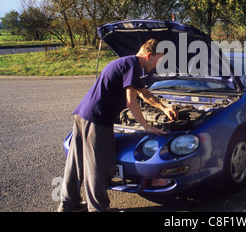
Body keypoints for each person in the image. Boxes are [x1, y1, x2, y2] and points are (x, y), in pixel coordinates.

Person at [58, 39, 177, 212]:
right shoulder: (132, 65)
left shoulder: (127, 63)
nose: (157, 65)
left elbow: (144, 93)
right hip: (98, 119)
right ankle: (98, 208)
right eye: (157, 60)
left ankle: (68, 205)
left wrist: (164, 107)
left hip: (81, 115)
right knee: (100, 165)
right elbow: (131, 101)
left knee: (76, 163)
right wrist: (146, 126)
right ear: (149, 55)